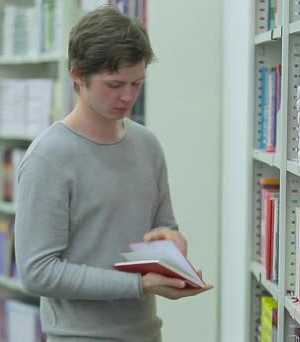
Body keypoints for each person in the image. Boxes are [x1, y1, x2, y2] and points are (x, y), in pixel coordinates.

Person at [14, 5, 213, 342]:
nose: (128, 96)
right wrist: (138, 284)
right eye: (115, 84)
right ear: (78, 76)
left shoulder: (147, 145)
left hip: (147, 334)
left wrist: (172, 243)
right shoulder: (48, 158)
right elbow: (37, 273)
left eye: (137, 83)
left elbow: (164, 225)